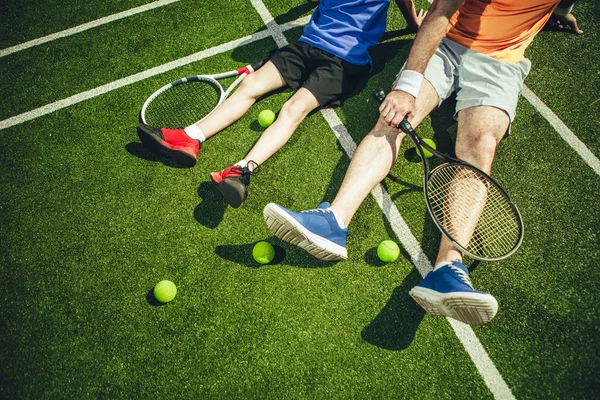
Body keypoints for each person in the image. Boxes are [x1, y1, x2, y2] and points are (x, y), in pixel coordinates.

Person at [263, 0, 579, 325]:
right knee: (394, 118)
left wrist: (558, 11)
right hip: (445, 41)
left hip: (502, 59)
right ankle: (333, 221)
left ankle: (447, 270)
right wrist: (408, 89)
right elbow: (440, 13)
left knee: (481, 144)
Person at [138, 0, 426, 208]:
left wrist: (414, 23)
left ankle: (242, 170)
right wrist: (414, 24)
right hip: (310, 45)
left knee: (293, 109)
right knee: (254, 87)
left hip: (344, 63)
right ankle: (190, 137)